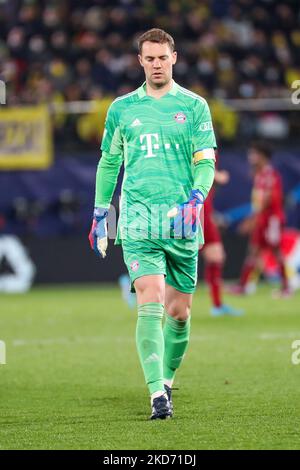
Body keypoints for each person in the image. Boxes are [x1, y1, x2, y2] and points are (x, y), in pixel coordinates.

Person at [89, 28, 216, 420]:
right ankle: (156, 395)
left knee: (179, 313)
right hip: (139, 221)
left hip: (181, 223)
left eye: (162, 57)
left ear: (174, 57)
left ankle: (166, 380)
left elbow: (205, 161)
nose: (156, 64)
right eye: (149, 58)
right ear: (140, 61)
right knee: (150, 299)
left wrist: (197, 197)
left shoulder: (194, 106)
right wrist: (99, 214)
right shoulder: (122, 109)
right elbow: (110, 163)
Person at [231, 142, 290, 297]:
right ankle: (243, 286)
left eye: (254, 154)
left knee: (276, 252)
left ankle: (286, 287)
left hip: (271, 220)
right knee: (254, 251)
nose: (251, 157)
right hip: (262, 219)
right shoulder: (260, 174)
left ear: (262, 156)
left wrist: (252, 218)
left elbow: (269, 198)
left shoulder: (270, 175)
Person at [201, 157, 243, 316]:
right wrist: (217, 175)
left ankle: (217, 305)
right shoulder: (199, 139)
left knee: (216, 258)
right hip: (198, 209)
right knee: (215, 257)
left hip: (203, 208)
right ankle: (135, 286)